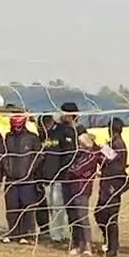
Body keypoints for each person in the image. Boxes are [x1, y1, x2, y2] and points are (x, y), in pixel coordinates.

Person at [42, 103, 82, 246]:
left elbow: (70, 155)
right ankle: (56, 233)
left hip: (61, 176)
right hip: (48, 176)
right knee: (52, 206)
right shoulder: (53, 131)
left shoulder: (69, 132)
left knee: (60, 206)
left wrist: (64, 171)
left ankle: (60, 235)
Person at [2, 113, 43, 244]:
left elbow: (38, 157)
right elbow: (4, 156)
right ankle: (13, 233)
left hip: (27, 179)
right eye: (15, 127)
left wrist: (30, 171)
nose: (17, 129)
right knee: (12, 207)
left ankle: (26, 234)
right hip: (11, 179)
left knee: (27, 207)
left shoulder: (32, 138)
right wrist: (7, 169)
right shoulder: (8, 138)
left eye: (19, 126)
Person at [95, 117, 129, 257]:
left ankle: (112, 247)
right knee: (101, 214)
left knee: (110, 217)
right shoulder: (114, 143)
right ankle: (109, 242)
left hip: (112, 185)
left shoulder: (118, 145)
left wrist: (96, 148)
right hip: (107, 184)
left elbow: (108, 158)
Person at [66, 131, 102, 255]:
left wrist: (73, 169)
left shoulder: (91, 156)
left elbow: (77, 170)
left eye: (81, 143)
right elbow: (72, 168)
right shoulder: (80, 155)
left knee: (83, 217)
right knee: (76, 217)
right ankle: (80, 244)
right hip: (74, 187)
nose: (79, 146)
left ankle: (88, 245)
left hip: (83, 189)